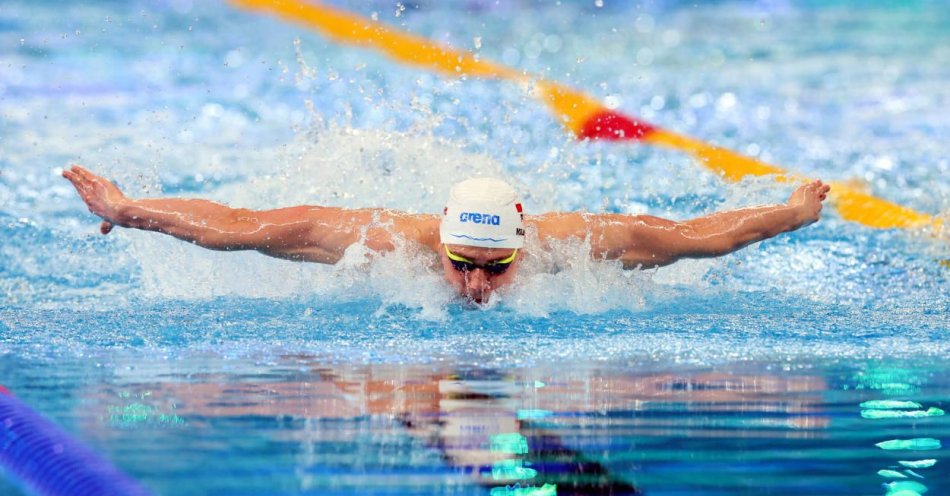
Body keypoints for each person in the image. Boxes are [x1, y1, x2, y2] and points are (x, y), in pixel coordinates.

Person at [63, 165, 829, 303]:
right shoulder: (383, 241)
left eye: (497, 269)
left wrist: (792, 214)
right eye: (462, 263)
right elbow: (239, 229)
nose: (475, 286)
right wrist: (131, 211)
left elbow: (697, 236)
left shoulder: (577, 243)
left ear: (524, 244)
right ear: (439, 239)